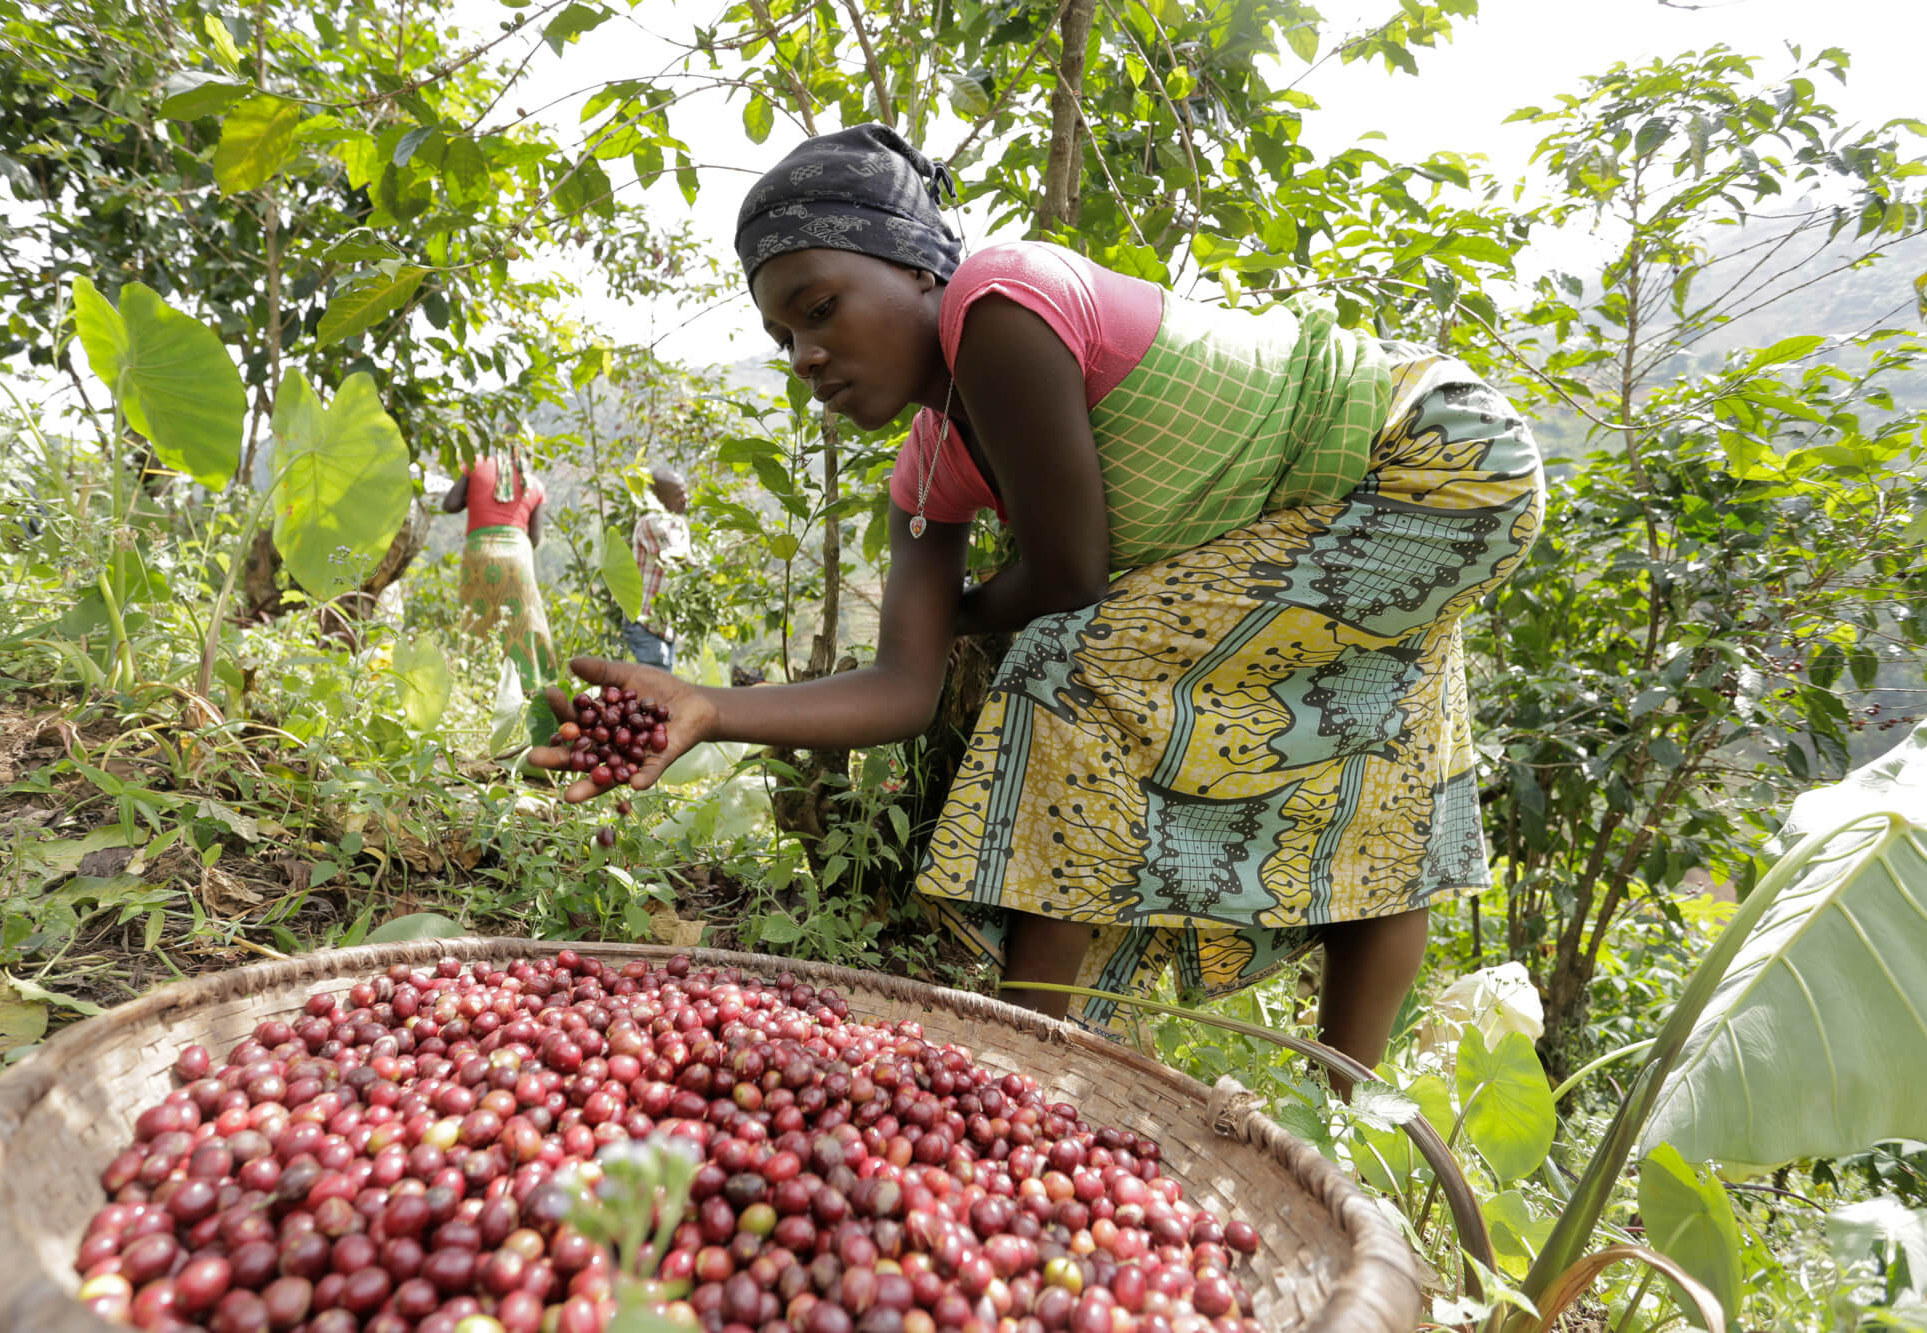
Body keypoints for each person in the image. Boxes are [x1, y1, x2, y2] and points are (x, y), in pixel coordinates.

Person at [531, 125, 1544, 1079]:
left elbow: (1069, 579)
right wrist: (709, 708)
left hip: (1432, 454)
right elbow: (903, 687)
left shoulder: (999, 304)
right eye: (782, 336)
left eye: (820, 306)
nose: (804, 356)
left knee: (1064, 670)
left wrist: (961, 613)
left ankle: (1024, 1075)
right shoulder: (926, 473)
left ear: (917, 267)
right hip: (1387, 502)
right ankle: (1337, 1122)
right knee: (1380, 771)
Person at [444, 441, 556, 693]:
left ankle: (476, 685)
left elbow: (450, 504)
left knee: (476, 618)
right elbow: (535, 538)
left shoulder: (476, 464)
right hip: (517, 554)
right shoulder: (534, 485)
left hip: (478, 552)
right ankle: (529, 688)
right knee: (524, 621)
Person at [624, 465, 693, 670]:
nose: (685, 499)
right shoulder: (651, 522)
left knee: (662, 681)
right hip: (645, 623)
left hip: (664, 626)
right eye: (678, 495)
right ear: (659, 498)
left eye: (685, 492)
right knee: (657, 683)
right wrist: (708, 572)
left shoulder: (679, 524)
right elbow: (679, 556)